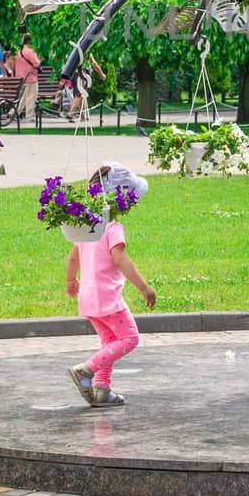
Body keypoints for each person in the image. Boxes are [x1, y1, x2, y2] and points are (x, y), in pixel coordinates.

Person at [65, 162, 156, 408]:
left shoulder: (87, 226)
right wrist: (145, 288)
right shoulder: (113, 228)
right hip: (108, 299)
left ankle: (102, 389)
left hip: (88, 297)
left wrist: (71, 280)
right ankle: (86, 370)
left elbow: (74, 255)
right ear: (121, 200)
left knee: (109, 342)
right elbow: (121, 259)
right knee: (129, 338)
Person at [12, 33, 42, 121]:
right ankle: (29, 116)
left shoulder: (19, 52)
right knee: (31, 97)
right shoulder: (30, 52)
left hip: (22, 78)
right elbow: (36, 64)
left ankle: (13, 113)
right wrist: (40, 59)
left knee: (23, 97)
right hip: (31, 77)